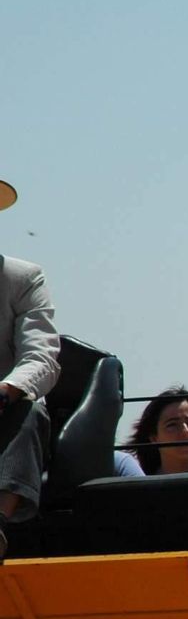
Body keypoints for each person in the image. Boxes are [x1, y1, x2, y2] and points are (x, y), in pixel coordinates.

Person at [0, 178, 61, 557]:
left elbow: (42, 357)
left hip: (4, 407)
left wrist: (6, 389)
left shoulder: (22, 278)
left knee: (29, 409)